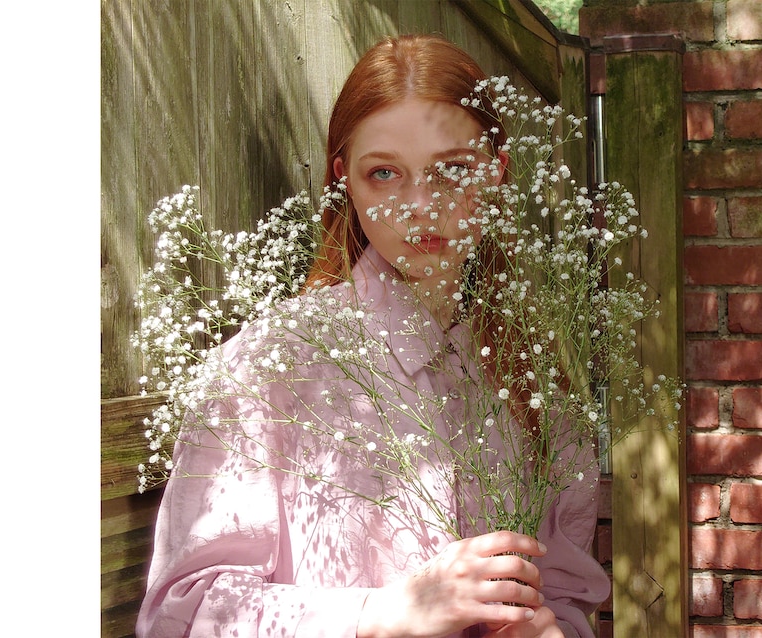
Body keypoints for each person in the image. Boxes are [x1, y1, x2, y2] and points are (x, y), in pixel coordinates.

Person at [137, 34, 610, 638]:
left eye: (453, 171)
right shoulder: (269, 369)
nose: (420, 205)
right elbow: (184, 614)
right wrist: (382, 615)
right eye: (384, 173)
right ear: (345, 180)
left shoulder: (532, 381)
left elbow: (566, 595)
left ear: (497, 172)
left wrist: (549, 631)